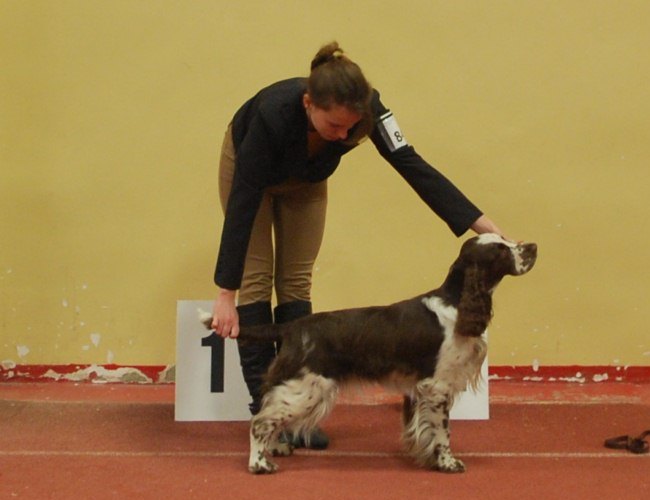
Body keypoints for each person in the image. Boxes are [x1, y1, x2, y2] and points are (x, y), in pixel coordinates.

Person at [211, 41, 509, 448]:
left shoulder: (370, 111)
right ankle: (264, 412)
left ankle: (296, 413)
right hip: (250, 171)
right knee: (257, 277)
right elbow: (243, 205)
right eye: (334, 126)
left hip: (307, 179)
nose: (343, 135)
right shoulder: (271, 116)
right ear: (308, 104)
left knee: (296, 280)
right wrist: (225, 293)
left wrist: (481, 223)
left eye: (351, 129)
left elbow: (411, 164)